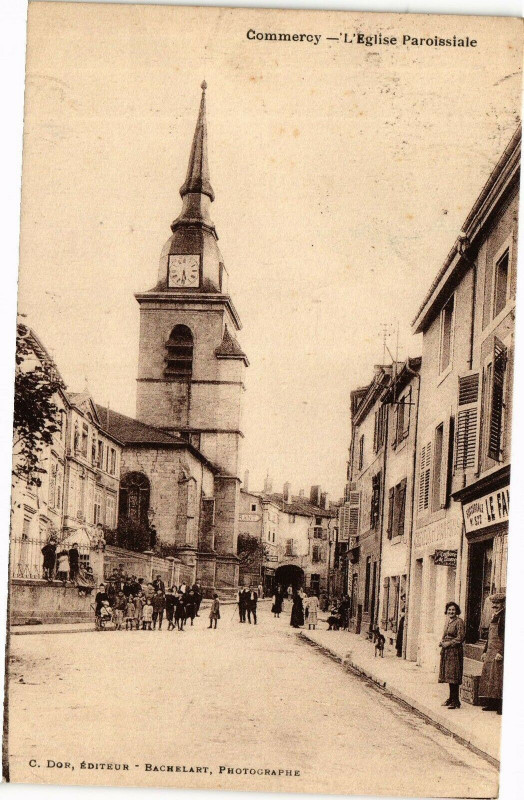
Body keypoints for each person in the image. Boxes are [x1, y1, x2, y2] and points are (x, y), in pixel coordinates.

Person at [479, 593, 505, 714]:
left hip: (499, 651)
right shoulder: (494, 616)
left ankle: (501, 705)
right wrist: (485, 651)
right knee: (490, 676)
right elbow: (489, 637)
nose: (494, 605)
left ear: (502, 604)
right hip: (490, 650)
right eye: (493, 603)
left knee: (499, 678)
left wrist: (501, 652)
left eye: (497, 603)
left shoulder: (504, 617)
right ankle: (492, 703)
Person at [438, 601, 465, 710]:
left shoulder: (459, 622)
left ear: (457, 611)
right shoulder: (448, 621)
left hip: (454, 651)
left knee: (454, 675)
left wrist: (448, 643)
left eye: (453, 610)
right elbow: (445, 635)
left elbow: (460, 638)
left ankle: (456, 700)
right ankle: (451, 698)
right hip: (447, 651)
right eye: (449, 610)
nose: (451, 612)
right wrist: (442, 642)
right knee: (449, 675)